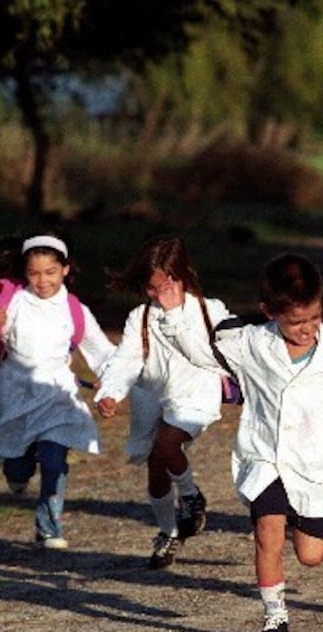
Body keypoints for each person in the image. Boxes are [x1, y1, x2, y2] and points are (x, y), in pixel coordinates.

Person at [162, 252, 323, 632]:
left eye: (314, 318)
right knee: (267, 532)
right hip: (266, 458)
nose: (307, 329)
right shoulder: (251, 343)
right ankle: (275, 617)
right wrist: (175, 314)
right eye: (295, 322)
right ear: (270, 312)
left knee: (311, 555)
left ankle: (297, 514)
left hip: (316, 466)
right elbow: (201, 353)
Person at [0, 233, 116, 550]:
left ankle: (49, 527)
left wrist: (111, 382)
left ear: (65, 270)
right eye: (34, 273)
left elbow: (101, 350)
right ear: (25, 272)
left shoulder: (74, 309)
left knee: (53, 458)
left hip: (58, 393)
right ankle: (16, 472)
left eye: (50, 272)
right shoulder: (13, 301)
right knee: (18, 461)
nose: (42, 281)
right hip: (15, 390)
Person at [95, 236, 233, 569]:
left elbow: (225, 351)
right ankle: (169, 531)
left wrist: (175, 316)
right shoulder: (140, 317)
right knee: (156, 466)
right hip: (152, 397)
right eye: (150, 288)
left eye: (163, 287)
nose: (157, 295)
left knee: (166, 444)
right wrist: (111, 391)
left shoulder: (209, 310)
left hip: (195, 393)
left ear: (182, 276)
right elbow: (126, 359)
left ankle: (190, 495)